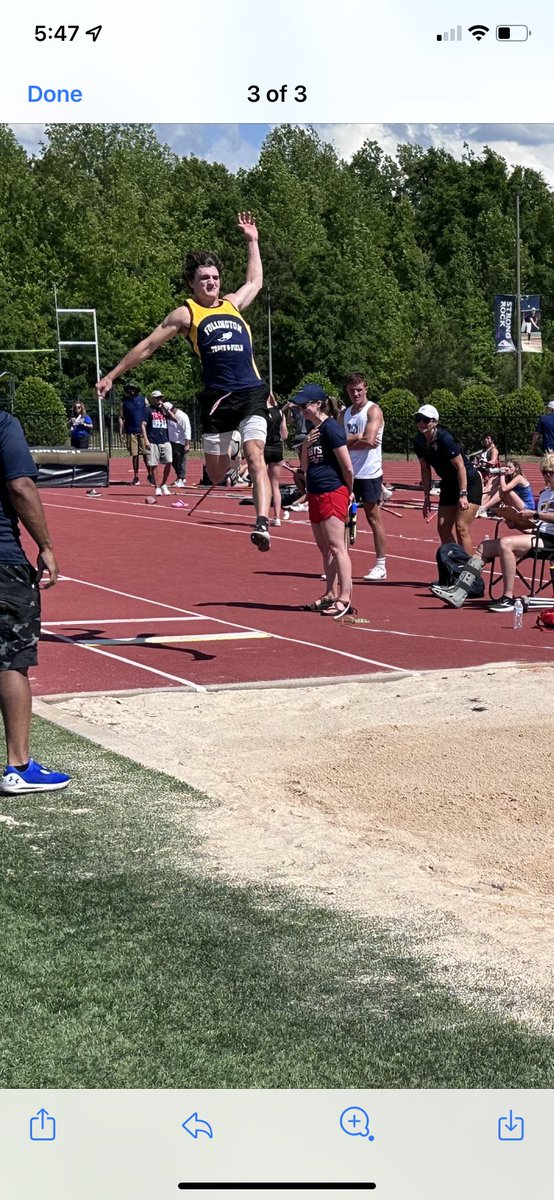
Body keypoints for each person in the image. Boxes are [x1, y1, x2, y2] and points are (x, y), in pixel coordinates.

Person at [97, 213, 272, 550]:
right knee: (218, 474)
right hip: (218, 399)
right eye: (205, 278)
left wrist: (253, 241)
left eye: (216, 277)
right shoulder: (186, 314)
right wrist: (112, 375)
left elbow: (255, 282)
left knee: (257, 455)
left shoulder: (233, 304)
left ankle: (261, 523)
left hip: (251, 392)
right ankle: (232, 449)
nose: (212, 283)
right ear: (192, 283)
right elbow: (147, 346)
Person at [0, 412, 70, 794]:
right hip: (3, 562)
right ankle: (19, 766)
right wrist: (45, 546)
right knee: (11, 659)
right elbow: (21, 486)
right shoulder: (4, 424)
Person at [431, 452, 554, 612]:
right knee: (485, 546)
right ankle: (460, 591)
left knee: (506, 544)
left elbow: (543, 519)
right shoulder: (545, 494)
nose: (546, 475)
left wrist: (535, 514)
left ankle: (507, 598)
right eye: (544, 472)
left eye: (550, 472)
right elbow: (537, 525)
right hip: (539, 535)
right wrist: (517, 522)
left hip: (551, 540)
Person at [296, 383, 354, 619]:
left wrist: (350, 491)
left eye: (304, 405)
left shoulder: (331, 428)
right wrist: (306, 445)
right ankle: (330, 592)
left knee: (337, 546)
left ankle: (345, 597)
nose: (301, 410)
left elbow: (347, 465)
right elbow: (304, 467)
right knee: (324, 548)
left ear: (317, 404)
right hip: (316, 492)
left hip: (333, 491)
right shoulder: (312, 432)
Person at [413, 404, 482, 555]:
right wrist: (426, 497)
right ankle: (457, 564)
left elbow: (461, 467)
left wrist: (463, 494)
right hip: (449, 484)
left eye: (425, 420)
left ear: (435, 422)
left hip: (468, 482)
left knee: (461, 527)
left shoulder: (445, 438)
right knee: (443, 529)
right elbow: (425, 469)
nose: (421, 423)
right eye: (418, 419)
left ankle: (471, 572)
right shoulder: (418, 441)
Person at [343, 371, 387, 581]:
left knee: (373, 518)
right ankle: (341, 562)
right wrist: (356, 437)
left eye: (359, 389)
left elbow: (370, 441)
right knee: (343, 518)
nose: (356, 393)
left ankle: (381, 564)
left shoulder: (373, 411)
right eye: (352, 390)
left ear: (366, 388)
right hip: (349, 472)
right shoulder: (345, 413)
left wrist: (349, 441)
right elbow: (338, 439)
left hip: (369, 473)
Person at [141, 391, 173, 495]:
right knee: (153, 464)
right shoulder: (148, 410)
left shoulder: (164, 410)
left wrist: (167, 410)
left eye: (160, 398)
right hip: (153, 440)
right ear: (152, 399)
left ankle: (163, 484)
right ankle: (157, 486)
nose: (159, 400)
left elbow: (176, 420)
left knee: (169, 461)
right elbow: (143, 425)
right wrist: (146, 439)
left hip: (165, 439)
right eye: (157, 398)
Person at [119, 381, 150, 485]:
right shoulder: (124, 402)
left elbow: (148, 414)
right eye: (129, 389)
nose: (131, 391)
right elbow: (121, 417)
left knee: (146, 454)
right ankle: (136, 476)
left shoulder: (143, 400)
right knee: (135, 454)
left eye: (133, 389)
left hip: (142, 431)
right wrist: (121, 432)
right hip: (131, 431)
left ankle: (150, 474)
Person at [264, 394, 289, 526]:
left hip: (264, 448)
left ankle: (262, 516)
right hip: (277, 449)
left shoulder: (262, 413)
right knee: (275, 485)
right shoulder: (280, 413)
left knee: (262, 483)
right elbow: (285, 435)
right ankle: (277, 517)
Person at [165, 402, 191, 488]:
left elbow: (187, 429)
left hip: (180, 441)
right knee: (171, 460)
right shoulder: (168, 416)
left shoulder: (183, 416)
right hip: (171, 441)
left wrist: (187, 443)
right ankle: (179, 476)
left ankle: (182, 478)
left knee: (181, 461)